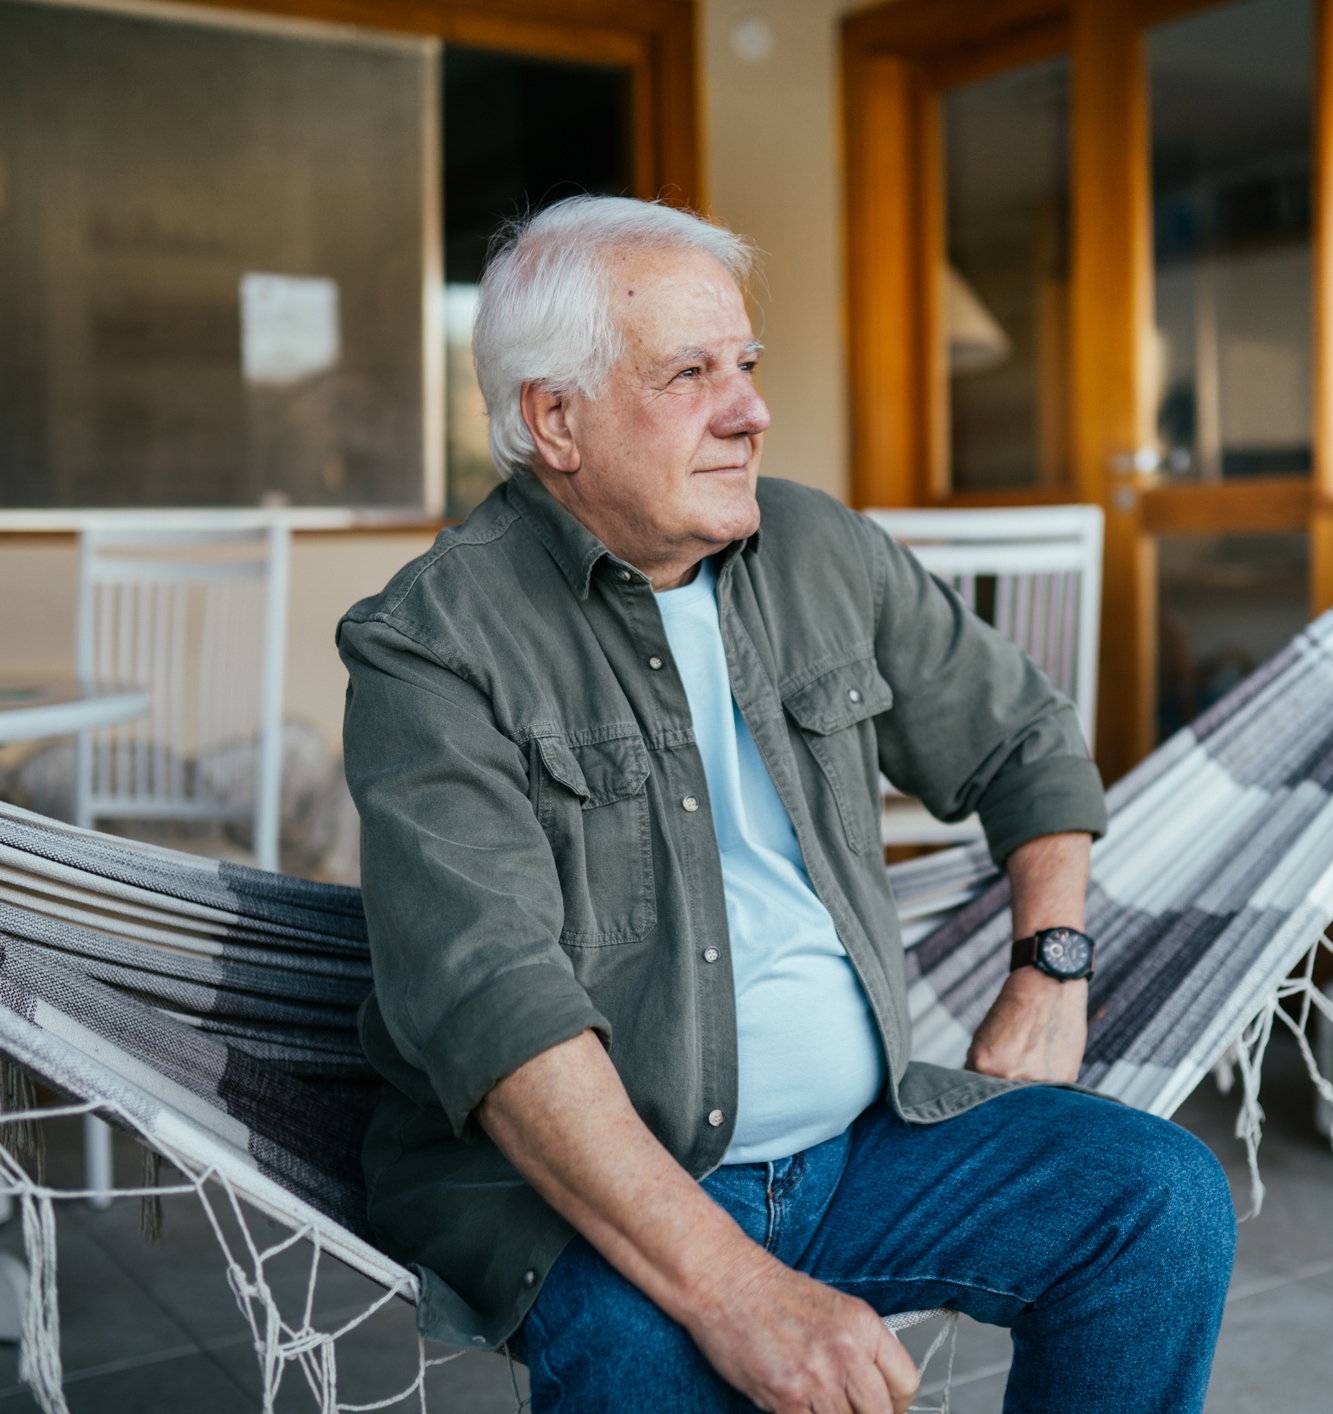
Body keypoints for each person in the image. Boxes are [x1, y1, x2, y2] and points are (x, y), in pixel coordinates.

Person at [338, 195, 1234, 1414]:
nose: (750, 409)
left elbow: (1024, 738)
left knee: (1157, 1202)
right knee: (647, 1349)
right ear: (556, 420)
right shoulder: (431, 646)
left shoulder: (816, 549)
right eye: (690, 374)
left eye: (746, 366)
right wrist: (733, 1290)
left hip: (864, 1144)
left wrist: (1049, 968)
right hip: (580, 1199)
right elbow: (495, 1011)